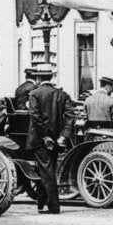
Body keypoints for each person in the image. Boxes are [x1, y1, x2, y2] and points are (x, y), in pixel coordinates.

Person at [26, 64, 73, 214]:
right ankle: (41, 203)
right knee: (45, 170)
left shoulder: (34, 94)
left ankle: (53, 206)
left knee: (46, 171)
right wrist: (63, 136)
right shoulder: (62, 95)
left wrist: (45, 136)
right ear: (51, 77)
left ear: (38, 78)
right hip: (56, 139)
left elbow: (35, 117)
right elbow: (70, 117)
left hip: (40, 140)